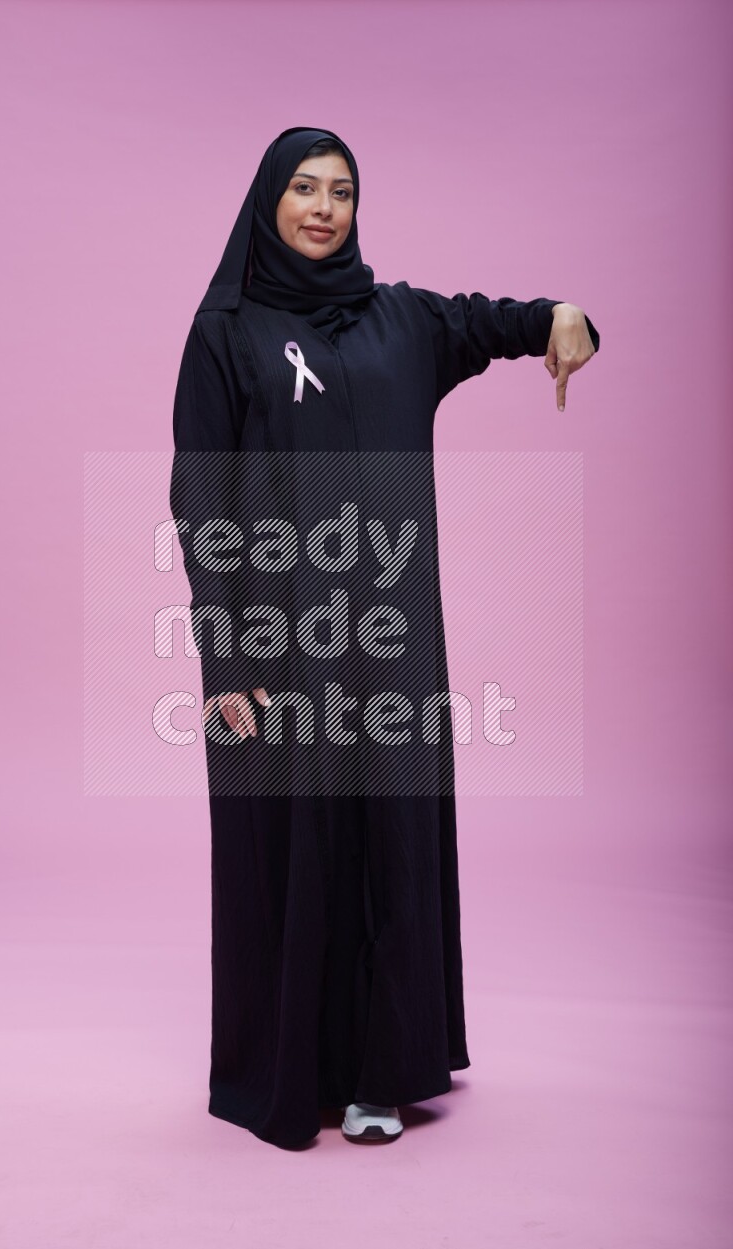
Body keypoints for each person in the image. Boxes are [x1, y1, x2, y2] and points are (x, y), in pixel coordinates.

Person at [170, 126, 600, 1149]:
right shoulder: (226, 331)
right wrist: (226, 661)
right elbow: (199, 500)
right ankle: (290, 1071)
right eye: (304, 188)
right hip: (277, 649)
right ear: (268, 200)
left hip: (393, 647)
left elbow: (490, 322)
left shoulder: (398, 322)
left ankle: (379, 1072)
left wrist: (563, 317)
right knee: (292, 851)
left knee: (389, 847)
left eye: (342, 191)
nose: (323, 207)